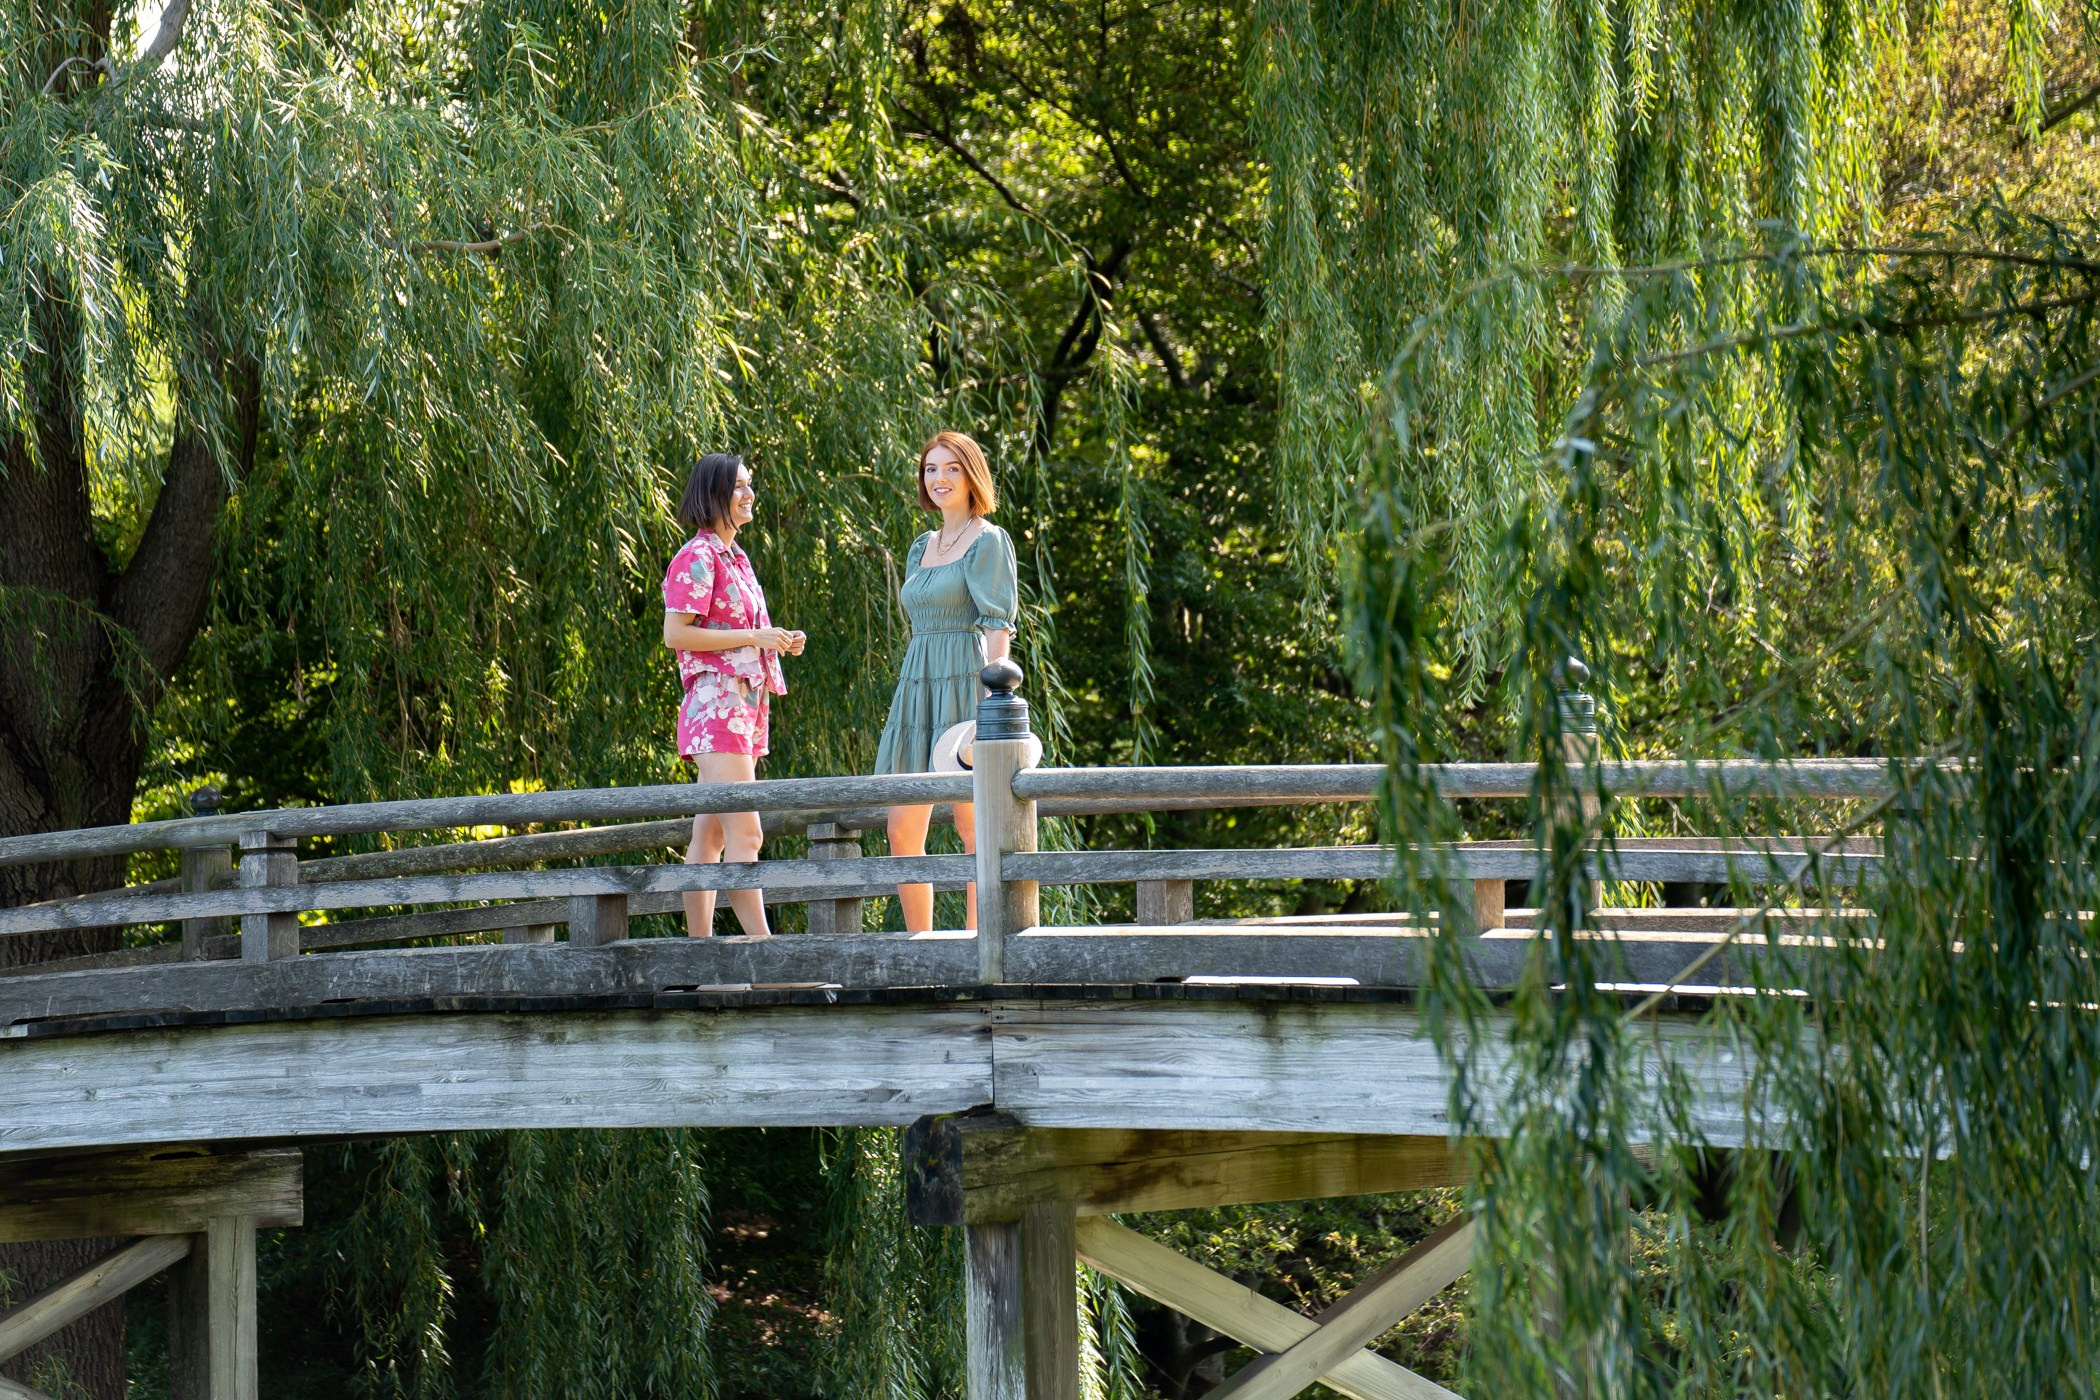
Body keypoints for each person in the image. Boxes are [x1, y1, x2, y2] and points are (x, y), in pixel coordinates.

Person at [874, 431, 1018, 931]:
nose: (939, 478)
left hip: (965, 678)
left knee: (972, 823)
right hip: (918, 682)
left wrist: (993, 706)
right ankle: (923, 945)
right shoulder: (922, 546)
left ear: (971, 474)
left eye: (951, 468)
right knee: (901, 827)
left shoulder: (988, 540)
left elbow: (998, 625)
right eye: (931, 469)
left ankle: (983, 943)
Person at [662, 454, 805, 938]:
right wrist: (752, 638)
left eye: (750, 485)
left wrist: (775, 639)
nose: (749, 494)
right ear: (713, 494)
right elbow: (675, 634)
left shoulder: (735, 557)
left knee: (711, 837)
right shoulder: (698, 556)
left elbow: (738, 631)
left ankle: (702, 955)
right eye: (738, 486)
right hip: (717, 706)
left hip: (742, 706)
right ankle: (766, 957)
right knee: (748, 834)